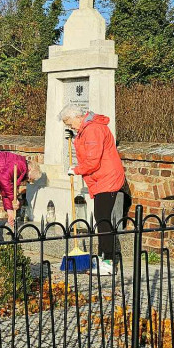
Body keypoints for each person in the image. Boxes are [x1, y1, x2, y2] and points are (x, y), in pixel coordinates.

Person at [60, 104, 131, 276]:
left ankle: (107, 261)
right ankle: (103, 258)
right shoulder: (87, 129)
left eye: (69, 123)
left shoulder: (92, 130)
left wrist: (75, 169)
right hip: (103, 179)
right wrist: (76, 137)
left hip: (107, 179)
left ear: (77, 117)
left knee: (103, 220)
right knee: (102, 219)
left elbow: (93, 161)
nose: (70, 126)